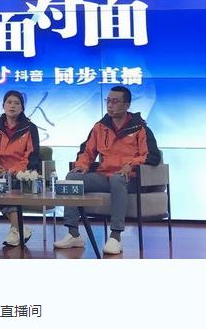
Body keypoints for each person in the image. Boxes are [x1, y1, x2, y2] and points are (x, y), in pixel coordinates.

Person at [53, 86, 161, 254]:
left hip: (130, 179)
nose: (110, 105)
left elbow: (152, 156)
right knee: (72, 177)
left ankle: (115, 236)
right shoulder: (100, 127)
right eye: (108, 101)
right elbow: (86, 151)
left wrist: (131, 164)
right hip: (105, 176)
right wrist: (82, 165)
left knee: (117, 179)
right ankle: (73, 234)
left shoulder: (140, 129)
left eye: (115, 102)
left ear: (126, 105)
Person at [0, 90, 40, 246]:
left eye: (17, 103)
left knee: (8, 185)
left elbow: (32, 156)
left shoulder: (30, 128)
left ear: (22, 108)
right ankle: (19, 229)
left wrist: (13, 171)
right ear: (3, 106)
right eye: (9, 102)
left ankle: (16, 229)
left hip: (21, 174)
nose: (12, 106)